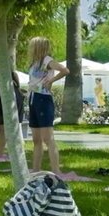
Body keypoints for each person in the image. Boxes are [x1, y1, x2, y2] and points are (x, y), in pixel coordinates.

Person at [27, 37, 69, 174]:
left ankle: (56, 170)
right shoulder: (35, 62)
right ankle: (35, 170)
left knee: (48, 138)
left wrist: (51, 80)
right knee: (36, 139)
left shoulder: (47, 60)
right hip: (33, 98)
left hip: (43, 99)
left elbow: (65, 70)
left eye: (32, 46)